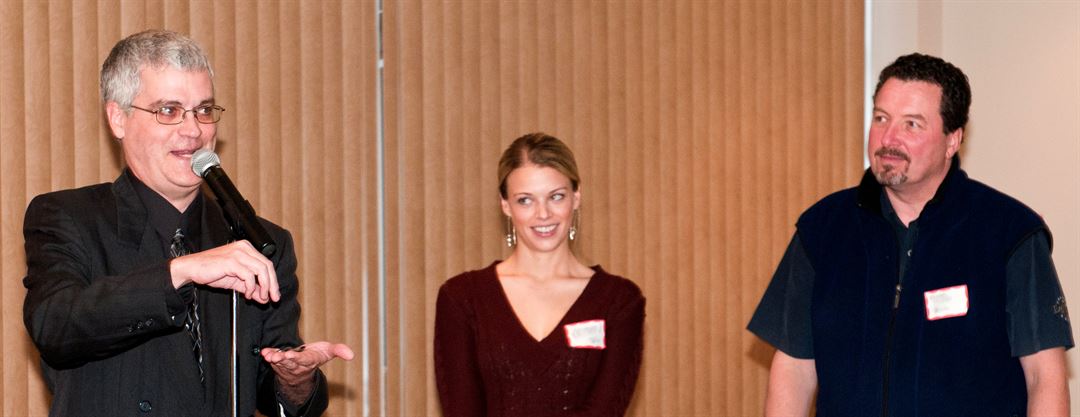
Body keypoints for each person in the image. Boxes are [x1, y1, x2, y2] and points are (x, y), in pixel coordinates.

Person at [22, 29, 353, 416]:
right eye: (169, 110)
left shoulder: (258, 242)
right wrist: (180, 272)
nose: (194, 130)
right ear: (118, 118)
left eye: (204, 110)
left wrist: (295, 380)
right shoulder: (69, 217)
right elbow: (56, 326)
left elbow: (275, 391)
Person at [748, 53, 1074, 416]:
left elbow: (1044, 377)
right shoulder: (822, 230)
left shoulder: (1010, 233)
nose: (889, 138)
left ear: (952, 140)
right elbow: (794, 369)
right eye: (881, 118)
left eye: (912, 124)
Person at [434, 133, 645, 416]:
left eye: (556, 197)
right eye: (525, 200)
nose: (543, 214)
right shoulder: (462, 299)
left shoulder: (619, 301)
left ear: (576, 197)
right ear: (505, 205)